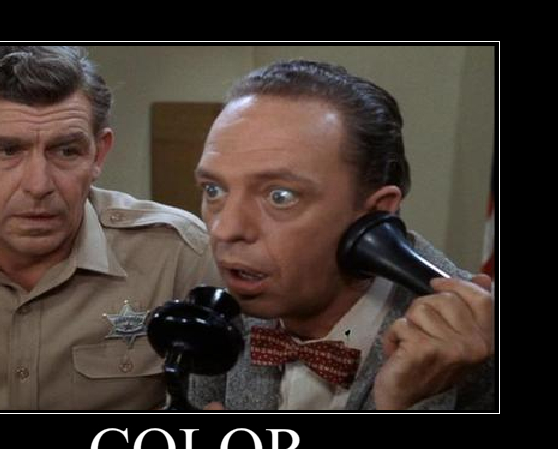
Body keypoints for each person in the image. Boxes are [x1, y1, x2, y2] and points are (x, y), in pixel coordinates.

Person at [0, 46, 219, 410]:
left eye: (66, 151)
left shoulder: (178, 256)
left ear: (98, 154)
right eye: (7, 151)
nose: (39, 185)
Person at [189, 60, 495, 410]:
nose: (225, 229)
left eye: (280, 196)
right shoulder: (218, 322)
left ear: (376, 214)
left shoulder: (482, 358)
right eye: (213, 190)